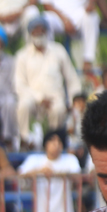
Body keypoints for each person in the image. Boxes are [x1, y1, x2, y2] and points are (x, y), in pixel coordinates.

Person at [14, 16, 81, 149]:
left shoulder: (58, 50)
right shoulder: (22, 55)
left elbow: (71, 78)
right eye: (35, 31)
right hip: (33, 97)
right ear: (30, 33)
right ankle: (25, 140)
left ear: (47, 31)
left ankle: (53, 142)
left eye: (41, 30)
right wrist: (39, 98)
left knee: (58, 109)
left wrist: (73, 101)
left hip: (55, 98)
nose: (39, 33)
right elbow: (19, 84)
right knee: (23, 106)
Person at [19, 128, 82, 212]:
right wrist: (39, 171)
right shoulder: (35, 160)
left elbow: (78, 176)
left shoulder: (70, 159)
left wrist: (61, 174)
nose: (56, 144)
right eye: (52, 141)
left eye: (59, 141)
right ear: (45, 143)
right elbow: (20, 174)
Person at [38, 0, 101, 74]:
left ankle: (88, 59)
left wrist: (91, 3)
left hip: (80, 13)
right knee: (44, 20)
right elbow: (47, 4)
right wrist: (65, 20)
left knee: (91, 16)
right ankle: (50, 61)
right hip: (58, 16)